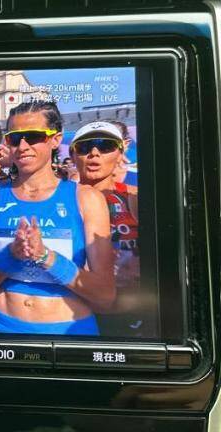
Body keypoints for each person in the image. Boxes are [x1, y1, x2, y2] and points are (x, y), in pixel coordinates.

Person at [0, 100, 115, 336]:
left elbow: (105, 297)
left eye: (33, 137)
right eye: (14, 139)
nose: (22, 146)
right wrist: (10, 256)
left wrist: (46, 257)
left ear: (55, 139)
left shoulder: (86, 198)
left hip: (68, 335)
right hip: (3, 330)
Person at [70, 121, 141, 336]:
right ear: (73, 155)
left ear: (120, 154)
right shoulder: (59, 199)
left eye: (105, 146)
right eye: (84, 147)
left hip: (127, 315)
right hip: (73, 314)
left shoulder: (134, 197)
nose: (94, 153)